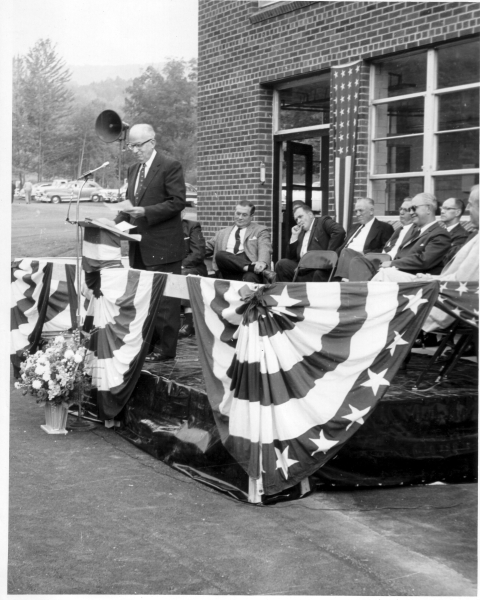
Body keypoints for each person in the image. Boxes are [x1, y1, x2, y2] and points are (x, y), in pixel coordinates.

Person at [113, 123, 186, 363]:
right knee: (144, 301)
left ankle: (165, 352)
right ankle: (149, 346)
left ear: (152, 142)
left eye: (138, 145)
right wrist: (113, 224)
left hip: (163, 248)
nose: (134, 150)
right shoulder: (133, 170)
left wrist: (146, 211)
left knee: (165, 304)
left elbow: (177, 202)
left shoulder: (170, 166)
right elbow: (129, 204)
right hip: (139, 249)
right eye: (130, 146)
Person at [372, 192, 452, 281]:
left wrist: (392, 263)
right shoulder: (414, 232)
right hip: (399, 274)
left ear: (428, 209)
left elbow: (424, 261)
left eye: (414, 208)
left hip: (419, 281)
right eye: (409, 209)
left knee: (384, 275)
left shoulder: (440, 234)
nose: (411, 212)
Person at [275, 202, 345, 282]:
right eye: (296, 219)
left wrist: (328, 254)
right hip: (302, 270)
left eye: (300, 217)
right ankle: (288, 293)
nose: (298, 221)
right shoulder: (300, 233)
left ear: (310, 215)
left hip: (319, 269)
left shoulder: (322, 222)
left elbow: (339, 231)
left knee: (318, 273)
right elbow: (291, 258)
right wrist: (294, 236)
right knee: (281, 264)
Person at [205, 201, 273, 284]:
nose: (240, 217)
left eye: (244, 215)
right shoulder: (222, 232)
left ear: (251, 216)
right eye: (238, 214)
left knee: (250, 277)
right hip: (227, 271)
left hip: (249, 273)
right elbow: (205, 248)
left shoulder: (260, 230)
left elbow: (265, 247)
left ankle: (250, 269)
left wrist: (262, 262)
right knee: (220, 255)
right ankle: (250, 267)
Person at [347, 197, 414, 281]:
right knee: (348, 255)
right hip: (381, 263)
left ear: (414, 212)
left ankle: (347, 284)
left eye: (406, 210)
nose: (401, 212)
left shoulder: (415, 232)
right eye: (400, 209)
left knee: (356, 260)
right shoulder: (399, 230)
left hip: (390, 264)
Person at [334, 198, 394, 279]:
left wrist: (365, 252)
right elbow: (343, 246)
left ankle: (342, 281)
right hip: (344, 260)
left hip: (365, 260)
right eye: (356, 211)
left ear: (371, 211)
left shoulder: (384, 228)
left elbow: (385, 250)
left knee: (346, 251)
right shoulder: (353, 227)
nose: (358, 214)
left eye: (361, 210)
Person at [179, 214, 208, 338]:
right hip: (172, 267)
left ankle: (188, 321)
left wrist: (180, 265)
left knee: (184, 275)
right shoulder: (164, 228)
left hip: (192, 267)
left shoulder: (192, 226)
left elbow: (198, 253)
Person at [439, 197, 469, 265]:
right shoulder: (438, 231)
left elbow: (449, 259)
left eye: (448, 209)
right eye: (442, 208)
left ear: (457, 212)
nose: (442, 211)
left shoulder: (462, 236)